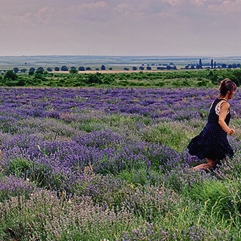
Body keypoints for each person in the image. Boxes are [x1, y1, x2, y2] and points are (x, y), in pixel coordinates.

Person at [187, 78, 236, 171]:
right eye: (234, 91)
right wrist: (229, 130)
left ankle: (190, 172)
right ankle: (227, 177)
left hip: (208, 133)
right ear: (229, 92)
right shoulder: (225, 104)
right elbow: (220, 120)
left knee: (211, 164)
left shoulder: (216, 101)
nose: (234, 93)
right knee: (228, 159)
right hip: (216, 135)